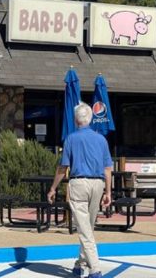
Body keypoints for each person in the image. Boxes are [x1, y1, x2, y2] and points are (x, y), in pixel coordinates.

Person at [48, 102, 112, 278]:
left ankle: (95, 269)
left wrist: (53, 188)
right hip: (98, 184)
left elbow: (63, 168)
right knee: (88, 228)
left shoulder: (71, 138)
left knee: (85, 229)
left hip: (78, 184)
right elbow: (108, 168)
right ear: (90, 119)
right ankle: (79, 264)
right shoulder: (101, 139)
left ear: (76, 120)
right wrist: (108, 192)